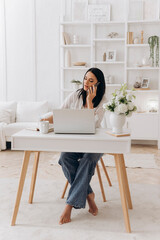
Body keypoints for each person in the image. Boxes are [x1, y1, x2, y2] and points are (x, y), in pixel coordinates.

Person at [43, 67, 107, 224]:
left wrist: (90, 103)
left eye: (91, 80)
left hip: (94, 145)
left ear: (98, 84)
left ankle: (69, 205)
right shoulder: (75, 95)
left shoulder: (103, 102)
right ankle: (88, 195)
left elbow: (93, 126)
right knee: (64, 157)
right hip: (75, 143)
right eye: (85, 78)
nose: (86, 83)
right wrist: (42, 120)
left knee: (88, 159)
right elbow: (60, 113)